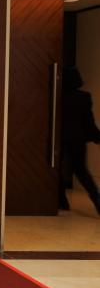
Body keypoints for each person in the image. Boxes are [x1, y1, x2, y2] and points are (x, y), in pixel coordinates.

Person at [59, 66, 100, 214]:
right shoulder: (84, 97)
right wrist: (97, 137)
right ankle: (97, 199)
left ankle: (62, 200)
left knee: (56, 169)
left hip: (59, 138)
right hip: (78, 139)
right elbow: (88, 121)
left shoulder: (58, 96)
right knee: (81, 170)